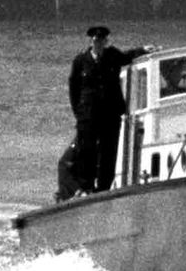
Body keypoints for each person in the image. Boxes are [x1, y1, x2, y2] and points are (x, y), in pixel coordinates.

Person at [60, 26, 142, 199]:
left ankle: (104, 187)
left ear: (106, 41)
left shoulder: (112, 56)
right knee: (86, 150)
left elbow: (127, 56)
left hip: (110, 113)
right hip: (88, 115)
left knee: (108, 151)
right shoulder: (81, 61)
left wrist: (143, 50)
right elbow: (74, 89)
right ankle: (85, 187)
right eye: (96, 41)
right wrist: (80, 112)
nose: (98, 43)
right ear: (91, 42)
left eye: (102, 40)